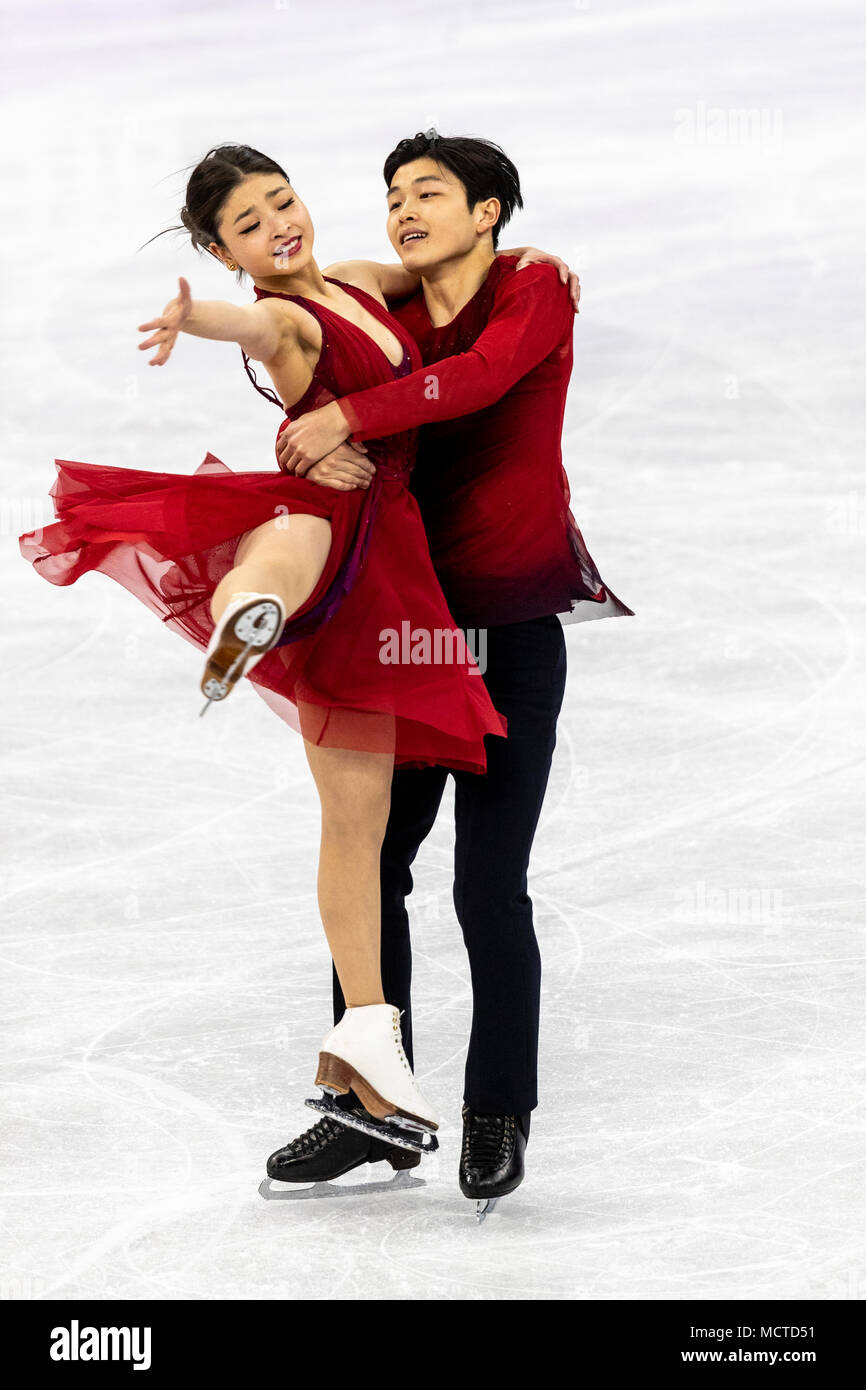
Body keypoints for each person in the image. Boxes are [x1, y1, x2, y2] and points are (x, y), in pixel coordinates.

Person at [18, 142, 526, 1154]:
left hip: (377, 544)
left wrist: (522, 256)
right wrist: (192, 318)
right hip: (342, 522)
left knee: (356, 822)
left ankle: (363, 1044)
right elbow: (254, 322)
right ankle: (243, 619)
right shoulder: (285, 315)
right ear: (221, 248)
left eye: (283, 202)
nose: (279, 227)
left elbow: (432, 279)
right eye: (250, 225)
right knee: (284, 547)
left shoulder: (350, 281)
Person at [266, 131, 634, 1212]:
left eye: (428, 191)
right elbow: (308, 307)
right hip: (407, 633)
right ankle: (371, 1111)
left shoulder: (532, 292)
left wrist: (351, 415)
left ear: (487, 212)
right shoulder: (385, 316)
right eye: (391, 195)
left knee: (486, 883)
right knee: (368, 868)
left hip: (510, 629)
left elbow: (475, 379)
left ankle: (495, 1110)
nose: (402, 207)